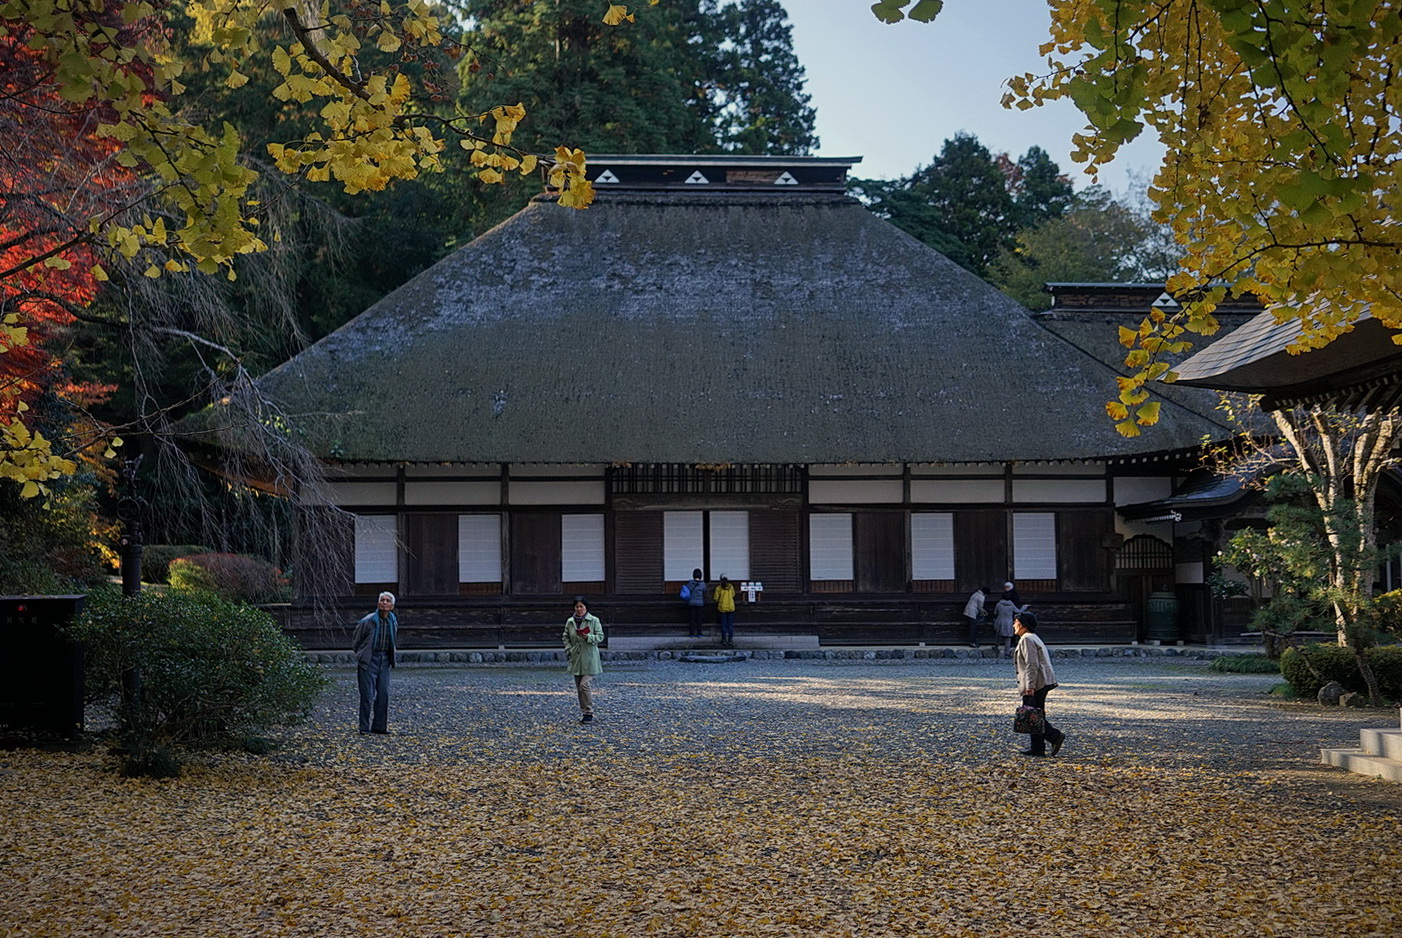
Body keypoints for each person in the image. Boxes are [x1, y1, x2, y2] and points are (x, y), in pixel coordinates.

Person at [1013, 611, 1066, 757]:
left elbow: (1032, 664)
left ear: (1022, 625)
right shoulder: (1032, 637)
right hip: (1042, 680)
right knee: (1035, 712)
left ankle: (1054, 736)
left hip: (1037, 682)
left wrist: (1029, 686)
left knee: (1033, 715)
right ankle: (1037, 747)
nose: (1013, 625)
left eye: (1015, 622)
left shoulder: (1027, 639)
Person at [352, 591, 398, 735]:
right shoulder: (368, 621)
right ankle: (364, 727)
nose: (385, 602)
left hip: (384, 659)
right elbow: (356, 641)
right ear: (378, 604)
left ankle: (379, 726)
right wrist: (362, 655)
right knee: (367, 695)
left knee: (383, 694)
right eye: (382, 600)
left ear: (392, 606)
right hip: (369, 660)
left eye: (388, 601)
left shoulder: (393, 621)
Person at [563, 596, 604, 724]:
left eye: (581, 606)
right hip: (576, 657)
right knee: (579, 687)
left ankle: (589, 711)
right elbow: (565, 637)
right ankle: (584, 713)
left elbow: (600, 636)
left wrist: (588, 637)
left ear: (586, 607)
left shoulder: (594, 620)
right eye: (577, 607)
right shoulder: (570, 622)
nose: (579, 609)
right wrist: (569, 649)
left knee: (584, 684)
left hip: (590, 658)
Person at [714, 575, 737, 645]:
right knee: (730, 624)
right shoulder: (731, 587)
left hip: (722, 608)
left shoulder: (718, 588)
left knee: (723, 624)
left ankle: (723, 639)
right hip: (731, 607)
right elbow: (733, 595)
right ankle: (730, 639)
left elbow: (716, 598)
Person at [684, 568, 707, 638]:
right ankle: (699, 633)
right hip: (700, 603)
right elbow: (704, 591)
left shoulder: (690, 583)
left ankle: (691, 633)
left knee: (692, 619)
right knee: (699, 619)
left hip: (691, 603)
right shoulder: (702, 584)